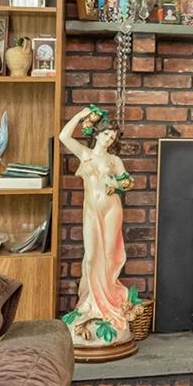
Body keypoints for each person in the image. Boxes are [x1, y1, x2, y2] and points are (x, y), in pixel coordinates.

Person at [58, 108, 137, 349]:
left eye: (113, 137)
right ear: (98, 134)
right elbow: (63, 137)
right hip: (92, 211)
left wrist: (119, 184)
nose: (109, 139)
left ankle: (107, 303)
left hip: (112, 209)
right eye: (106, 135)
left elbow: (127, 181)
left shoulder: (114, 160)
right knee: (91, 256)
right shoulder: (85, 154)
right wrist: (82, 115)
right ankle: (91, 302)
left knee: (109, 255)